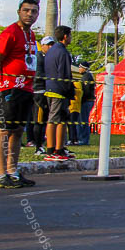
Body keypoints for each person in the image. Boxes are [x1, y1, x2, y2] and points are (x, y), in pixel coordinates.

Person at [0, 0, 40, 188]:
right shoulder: (10, 33)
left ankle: (13, 171)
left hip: (26, 87)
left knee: (17, 131)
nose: (30, 14)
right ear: (19, 11)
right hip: (8, 88)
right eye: (26, 10)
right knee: (4, 130)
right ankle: (1, 175)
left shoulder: (31, 35)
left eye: (34, 11)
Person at [43, 26, 75, 161]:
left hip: (50, 87)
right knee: (55, 120)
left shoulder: (51, 51)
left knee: (61, 120)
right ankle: (51, 150)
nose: (71, 38)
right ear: (66, 36)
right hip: (59, 90)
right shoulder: (63, 52)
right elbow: (64, 73)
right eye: (70, 35)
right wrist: (69, 90)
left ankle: (59, 148)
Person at [77, 61, 95, 146]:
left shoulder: (87, 77)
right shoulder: (85, 76)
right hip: (87, 101)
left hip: (87, 101)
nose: (79, 69)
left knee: (83, 121)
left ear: (84, 68)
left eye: (80, 67)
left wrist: (81, 100)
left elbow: (86, 91)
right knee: (82, 120)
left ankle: (84, 140)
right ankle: (81, 138)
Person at [67, 71, 82, 146]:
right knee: (73, 125)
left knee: (71, 124)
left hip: (72, 107)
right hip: (76, 108)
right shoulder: (79, 86)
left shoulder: (75, 86)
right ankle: (74, 139)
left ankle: (72, 139)